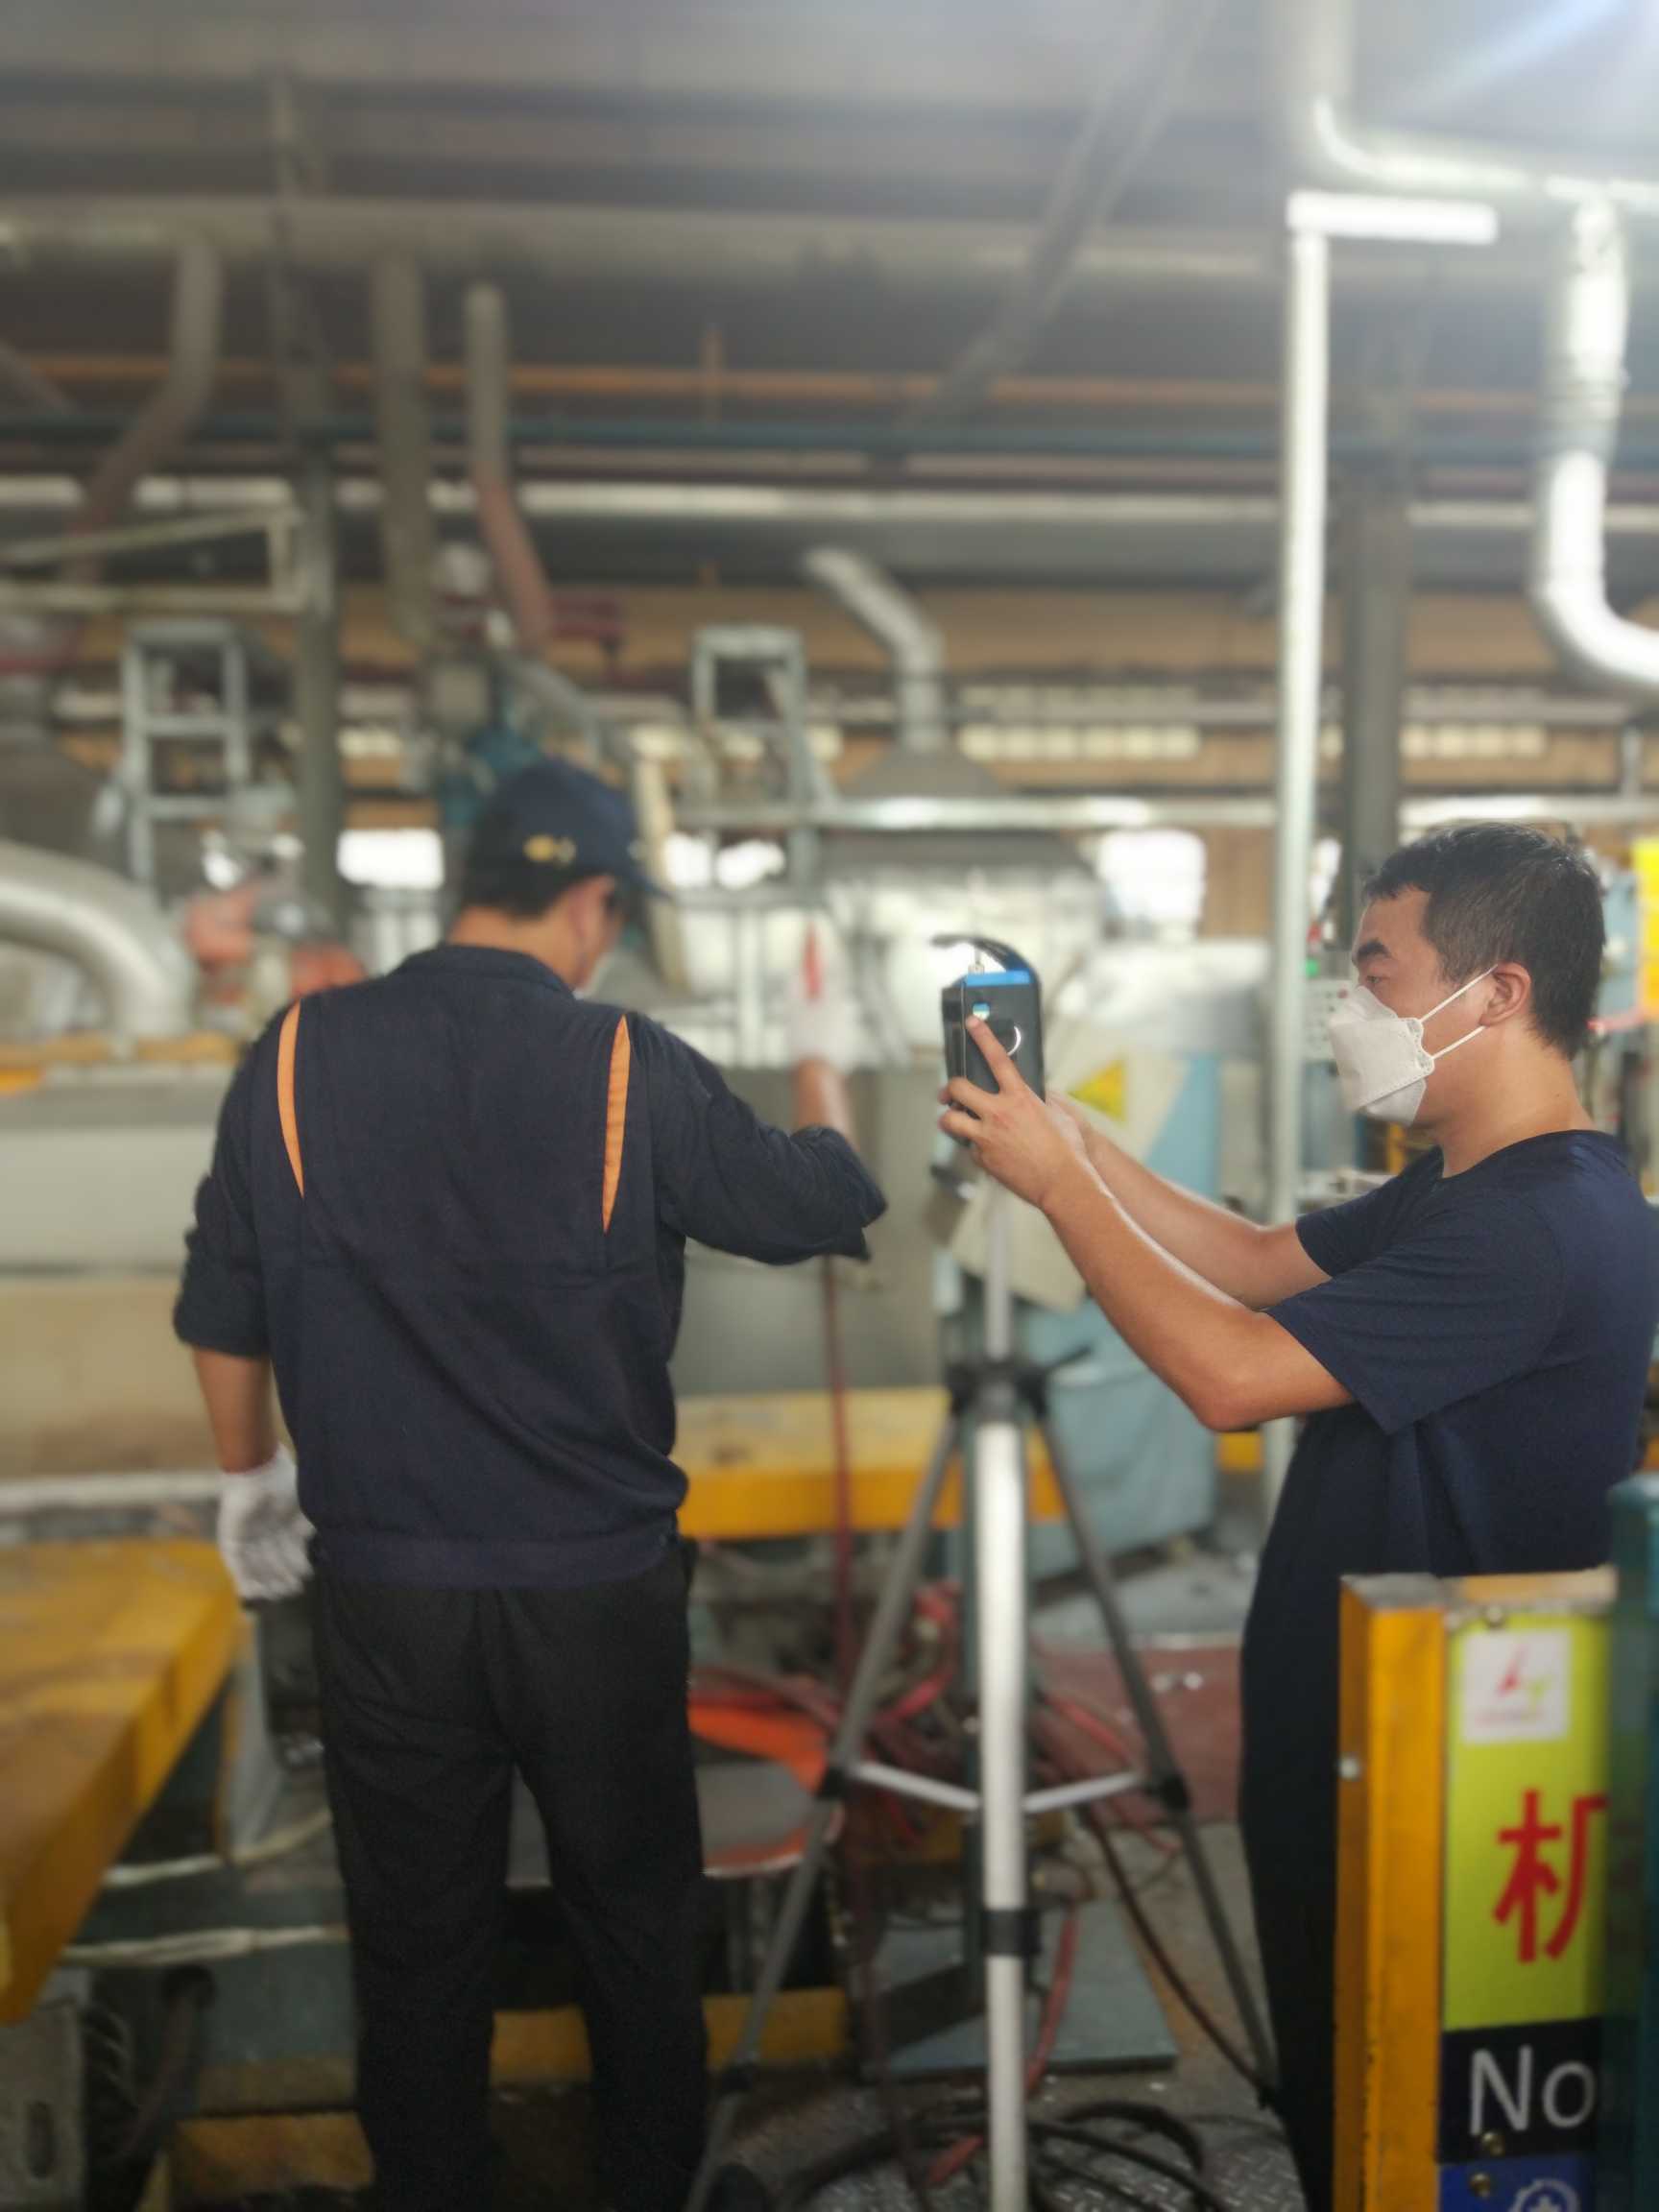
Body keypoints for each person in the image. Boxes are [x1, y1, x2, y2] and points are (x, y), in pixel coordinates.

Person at [175, 757, 886, 2212]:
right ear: (593, 903)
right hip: (593, 1595)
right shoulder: (627, 1063)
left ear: (468, 886)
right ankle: (650, 2189)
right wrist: (826, 1074)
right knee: (632, 1922)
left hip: (387, 1597)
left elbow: (221, 1309)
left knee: (413, 1938)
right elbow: (811, 1204)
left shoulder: (294, 1054)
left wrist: (250, 1482)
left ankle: (432, 2189)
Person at [937, 824, 1659, 2210]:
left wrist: (1060, 1189)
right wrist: (1075, 1138)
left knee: (1389, 2100)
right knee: (1342, 2073)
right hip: (1355, 1713)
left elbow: (1230, 1376)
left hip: (1441, 1749)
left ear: (1501, 992)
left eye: (1375, 970)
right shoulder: (1476, 1183)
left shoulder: (1539, 1225)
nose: (1349, 1005)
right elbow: (1260, 1262)